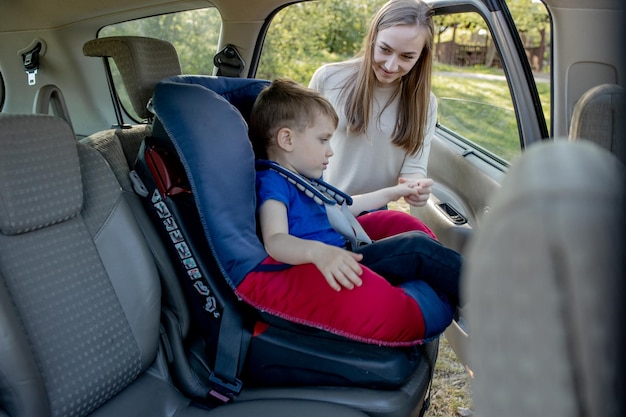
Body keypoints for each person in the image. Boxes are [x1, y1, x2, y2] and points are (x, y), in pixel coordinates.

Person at [244, 78, 461, 342]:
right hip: (336, 267)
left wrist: (395, 192)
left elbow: (347, 206)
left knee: (415, 245)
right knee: (416, 247)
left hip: (349, 254)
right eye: (323, 140)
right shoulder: (273, 183)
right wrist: (318, 253)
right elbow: (275, 240)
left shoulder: (305, 179)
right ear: (287, 139)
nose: (331, 151)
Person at [309, 0, 437, 209]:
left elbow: (414, 168)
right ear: (373, 39)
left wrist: (417, 188)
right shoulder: (328, 78)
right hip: (319, 205)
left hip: (372, 215)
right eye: (385, 50)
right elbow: (300, 149)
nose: (391, 65)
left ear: (421, 57)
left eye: (407, 56)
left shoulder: (425, 104)